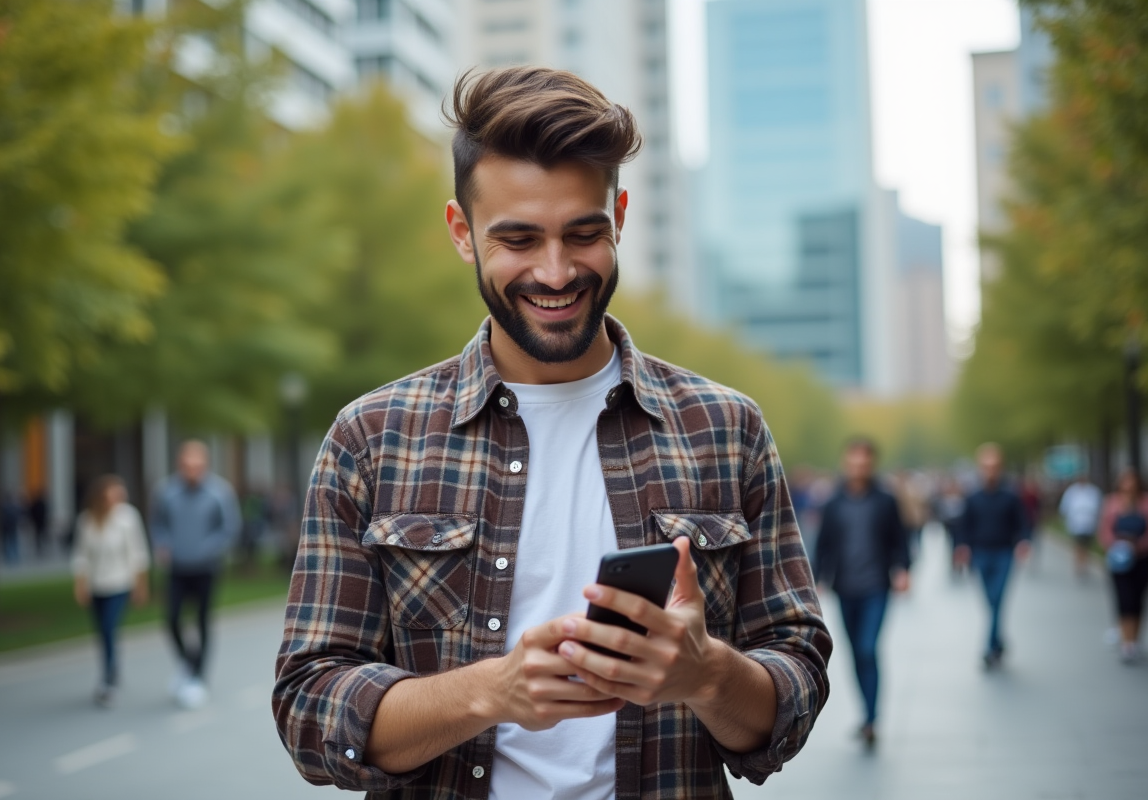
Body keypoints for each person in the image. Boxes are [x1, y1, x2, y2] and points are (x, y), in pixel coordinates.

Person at [272, 66, 832, 798]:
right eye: (519, 239)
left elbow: (794, 688)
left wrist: (704, 674)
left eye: (584, 233)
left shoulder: (725, 429)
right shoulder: (372, 438)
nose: (557, 271)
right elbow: (311, 711)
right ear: (461, 233)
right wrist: (492, 691)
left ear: (621, 217)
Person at [813, 438, 910, 748]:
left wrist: (904, 568)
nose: (858, 467)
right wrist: (816, 579)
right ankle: (866, 716)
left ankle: (871, 718)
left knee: (868, 648)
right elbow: (823, 543)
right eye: (853, 461)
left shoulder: (885, 500)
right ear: (846, 463)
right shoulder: (834, 502)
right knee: (856, 653)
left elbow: (900, 537)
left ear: (872, 464)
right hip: (845, 587)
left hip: (876, 586)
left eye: (864, 462)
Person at [150, 440, 240, 709]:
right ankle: (188, 664)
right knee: (172, 620)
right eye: (187, 465)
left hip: (206, 568)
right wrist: (163, 545)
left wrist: (208, 549)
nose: (192, 470)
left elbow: (230, 528)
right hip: (177, 567)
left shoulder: (219, 492)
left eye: (196, 465)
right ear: (180, 465)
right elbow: (158, 524)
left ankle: (198, 677)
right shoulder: (166, 492)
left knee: (202, 622)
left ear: (205, 466)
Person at [72, 475, 150, 707]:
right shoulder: (87, 520)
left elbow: (137, 553)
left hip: (120, 583)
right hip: (97, 584)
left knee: (108, 627)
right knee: (102, 632)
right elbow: (81, 555)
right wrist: (80, 583)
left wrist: (140, 585)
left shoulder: (127, 518)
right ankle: (111, 669)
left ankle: (108, 678)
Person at [955, 443, 1031, 670]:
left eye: (994, 466)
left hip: (1004, 553)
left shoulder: (1011, 495)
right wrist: (961, 546)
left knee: (997, 598)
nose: (990, 470)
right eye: (986, 466)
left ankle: (989, 647)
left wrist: (1023, 541)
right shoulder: (972, 497)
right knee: (990, 601)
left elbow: (1023, 523)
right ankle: (998, 640)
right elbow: (963, 525)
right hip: (980, 554)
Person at [1097, 468, 1148, 664]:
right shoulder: (1112, 503)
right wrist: (1117, 545)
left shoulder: (1144, 503)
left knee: (1137, 599)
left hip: (1141, 559)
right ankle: (1127, 642)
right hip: (1118, 559)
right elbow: (1104, 530)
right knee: (1124, 597)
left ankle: (1134, 638)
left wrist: (1138, 546)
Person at [1059, 472, 1103, 579]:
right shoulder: (1071, 491)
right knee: (1078, 544)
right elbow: (1065, 506)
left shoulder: (1093, 491)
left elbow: (1099, 506)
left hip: (1089, 522)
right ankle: (1079, 565)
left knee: (1086, 545)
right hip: (1076, 522)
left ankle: (1085, 563)